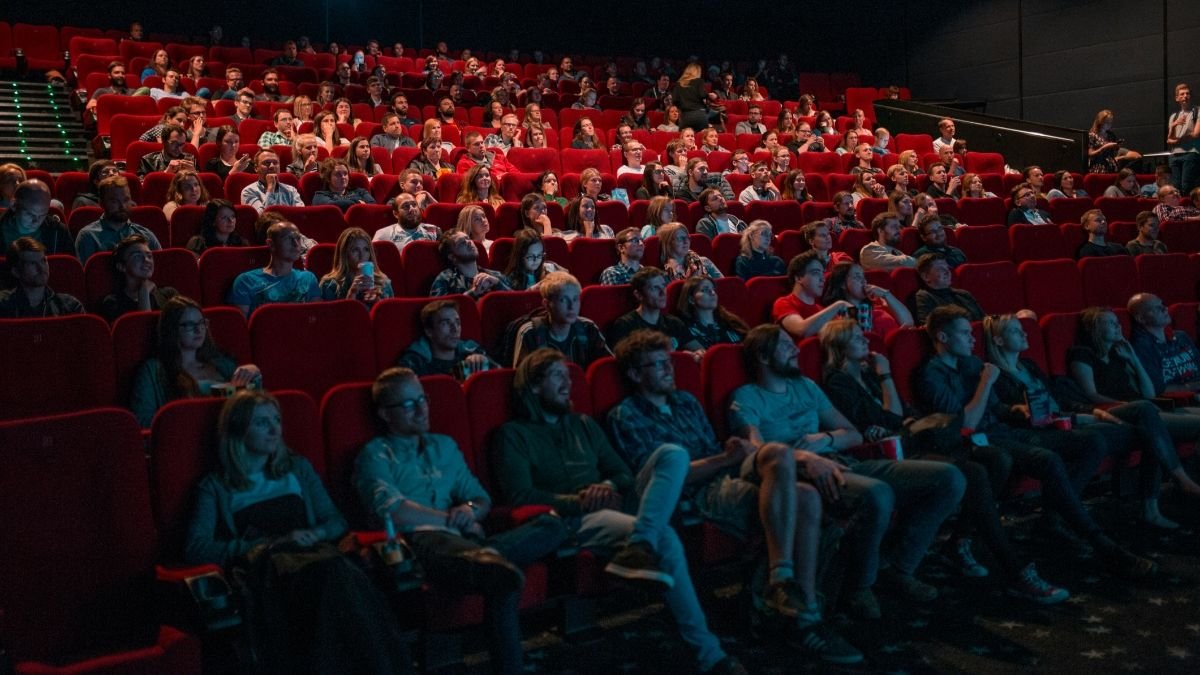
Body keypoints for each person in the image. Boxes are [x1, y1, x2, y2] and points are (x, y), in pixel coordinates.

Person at [605, 330, 861, 664]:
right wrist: (724, 459)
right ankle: (805, 617)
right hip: (696, 491)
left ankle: (782, 582)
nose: (669, 370)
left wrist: (731, 454)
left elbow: (716, 452)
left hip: (724, 473)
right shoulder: (626, 415)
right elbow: (660, 480)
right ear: (636, 374)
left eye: (669, 362)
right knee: (806, 500)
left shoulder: (685, 402)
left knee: (781, 457)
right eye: (657, 365)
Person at [492, 349, 745, 675]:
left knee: (673, 454)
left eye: (568, 376)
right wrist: (581, 500)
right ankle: (711, 656)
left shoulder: (583, 424)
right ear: (534, 386)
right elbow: (521, 495)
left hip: (616, 501)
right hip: (575, 517)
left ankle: (639, 546)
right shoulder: (513, 435)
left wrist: (608, 485)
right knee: (664, 536)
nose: (568, 383)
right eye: (557, 376)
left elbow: (624, 474)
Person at [818, 319, 1070, 603]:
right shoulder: (838, 381)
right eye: (855, 338)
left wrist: (893, 399)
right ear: (838, 347)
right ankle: (1014, 569)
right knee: (974, 473)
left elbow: (901, 414)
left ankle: (959, 542)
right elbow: (889, 419)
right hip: (895, 452)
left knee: (995, 460)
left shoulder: (868, 374)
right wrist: (887, 377)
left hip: (918, 441)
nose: (865, 340)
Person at [730, 324, 966, 616]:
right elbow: (757, 452)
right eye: (785, 345)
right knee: (878, 494)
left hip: (843, 459)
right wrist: (803, 455)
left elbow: (852, 434)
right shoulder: (747, 396)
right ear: (764, 358)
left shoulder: (807, 386)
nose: (795, 349)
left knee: (949, 478)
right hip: (804, 474)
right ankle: (860, 586)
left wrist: (825, 438)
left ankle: (899, 567)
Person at [916, 306, 1158, 578]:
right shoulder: (932, 374)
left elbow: (997, 411)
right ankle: (1102, 544)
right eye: (964, 333)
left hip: (1005, 431)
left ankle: (1053, 520)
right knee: (1048, 459)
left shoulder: (972, 364)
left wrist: (1019, 410)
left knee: (1090, 441)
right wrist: (986, 383)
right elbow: (967, 423)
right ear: (943, 338)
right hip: (975, 442)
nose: (973, 339)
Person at [357, 368, 566, 675]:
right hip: (421, 543)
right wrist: (450, 520)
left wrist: (468, 512)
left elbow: (480, 499)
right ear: (385, 414)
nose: (421, 409)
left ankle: (489, 559)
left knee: (552, 524)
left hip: (467, 541)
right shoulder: (375, 454)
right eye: (408, 404)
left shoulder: (444, 446)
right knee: (502, 578)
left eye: (422, 399)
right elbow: (391, 510)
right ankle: (490, 564)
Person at [185, 390, 411, 674]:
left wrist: (315, 534)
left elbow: (335, 521)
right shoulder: (216, 486)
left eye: (277, 420)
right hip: (271, 569)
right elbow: (197, 546)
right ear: (239, 429)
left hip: (316, 556)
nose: (274, 429)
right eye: (262, 422)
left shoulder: (296, 468)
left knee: (340, 577)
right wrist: (262, 544)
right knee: (336, 578)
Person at [986, 312, 1191, 529]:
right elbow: (1012, 415)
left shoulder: (1029, 366)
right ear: (998, 340)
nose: (1024, 333)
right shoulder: (996, 375)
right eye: (1015, 331)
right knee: (1147, 426)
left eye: (1022, 328)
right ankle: (1158, 499)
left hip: (1074, 417)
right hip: (1056, 428)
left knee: (1147, 416)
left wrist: (1094, 412)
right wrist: (1082, 417)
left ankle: (1157, 501)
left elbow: (1063, 399)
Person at [128, 295, 260, 426]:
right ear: (172, 329)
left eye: (201, 323)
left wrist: (254, 373)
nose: (198, 330)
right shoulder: (153, 370)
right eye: (189, 325)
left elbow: (254, 404)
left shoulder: (220, 363)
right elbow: (143, 421)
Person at [512, 272, 610, 367]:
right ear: (547, 304)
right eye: (563, 300)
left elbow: (606, 367)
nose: (572, 307)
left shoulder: (588, 327)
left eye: (575, 299)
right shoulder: (530, 333)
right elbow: (523, 379)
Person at [228, 221, 319, 316]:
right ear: (271, 244)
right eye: (288, 239)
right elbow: (241, 326)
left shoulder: (308, 278)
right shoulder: (246, 281)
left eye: (298, 238)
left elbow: (316, 320)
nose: (296, 244)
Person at [608, 266, 699, 352]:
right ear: (638, 295)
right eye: (655, 288)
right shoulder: (625, 325)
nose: (663, 293)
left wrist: (695, 355)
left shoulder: (674, 323)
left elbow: (699, 350)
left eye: (663, 286)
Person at [397, 300, 496, 379]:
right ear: (429, 331)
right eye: (445, 323)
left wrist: (485, 362)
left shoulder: (472, 354)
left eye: (457, 322)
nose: (455, 329)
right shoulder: (415, 364)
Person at [75, 176, 162, 264]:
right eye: (114, 201)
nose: (122, 206)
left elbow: (161, 269)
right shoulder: (88, 236)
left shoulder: (146, 235)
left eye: (126, 200)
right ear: (101, 203)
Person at [822, 260, 913, 339]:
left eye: (864, 277)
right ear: (842, 284)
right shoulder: (838, 314)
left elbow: (908, 322)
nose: (864, 281)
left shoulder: (877, 304)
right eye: (858, 277)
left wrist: (886, 294)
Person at [99, 235, 177, 323]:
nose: (146, 260)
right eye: (137, 256)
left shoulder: (168, 294)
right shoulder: (112, 303)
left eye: (149, 256)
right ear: (122, 266)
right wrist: (144, 292)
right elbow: (142, 331)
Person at [0, 238, 84, 317]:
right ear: (16, 272)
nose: (41, 268)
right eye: (32, 263)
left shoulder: (70, 306)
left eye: (43, 261)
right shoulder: (3, 305)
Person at [774, 251, 848, 340]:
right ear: (798, 278)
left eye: (822, 273)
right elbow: (801, 330)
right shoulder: (783, 303)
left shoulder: (820, 309)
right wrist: (838, 305)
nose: (823, 279)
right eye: (816, 273)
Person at [319, 228, 392, 304]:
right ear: (345, 254)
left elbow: (390, 314)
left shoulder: (383, 282)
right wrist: (352, 294)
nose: (362, 255)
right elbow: (333, 315)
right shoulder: (329, 284)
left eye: (366, 249)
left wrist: (378, 302)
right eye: (355, 250)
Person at [430, 230, 511, 298]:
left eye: (468, 238)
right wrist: (472, 293)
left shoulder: (495, 276)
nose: (469, 242)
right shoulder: (445, 279)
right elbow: (439, 311)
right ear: (452, 256)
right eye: (462, 243)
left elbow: (517, 302)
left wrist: (497, 284)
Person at [0, 180, 72, 256]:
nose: (36, 221)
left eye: (42, 215)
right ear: (13, 205)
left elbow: (70, 265)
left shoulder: (58, 232)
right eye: (30, 214)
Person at [675, 277, 749, 348]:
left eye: (713, 289)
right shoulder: (684, 328)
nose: (712, 293)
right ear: (691, 299)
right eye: (705, 290)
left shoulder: (730, 321)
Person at [373, 192, 439, 254]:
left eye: (414, 205)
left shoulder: (434, 230)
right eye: (406, 206)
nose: (412, 209)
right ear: (396, 214)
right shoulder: (383, 235)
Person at [1168, 83, 1200, 193]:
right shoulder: (1174, 117)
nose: (1185, 96)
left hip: (1191, 154)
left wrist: (1177, 140)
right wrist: (1173, 126)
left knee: (1187, 187)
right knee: (1176, 188)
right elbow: (1169, 140)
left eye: (1187, 93)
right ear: (1177, 98)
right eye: (1182, 94)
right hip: (1175, 155)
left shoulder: (1197, 111)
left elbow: (1196, 134)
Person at [672, 63, 710, 131]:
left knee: (684, 138)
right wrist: (708, 95)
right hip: (700, 115)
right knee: (702, 139)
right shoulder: (699, 81)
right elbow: (702, 95)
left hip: (686, 115)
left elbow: (675, 101)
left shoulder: (679, 83)